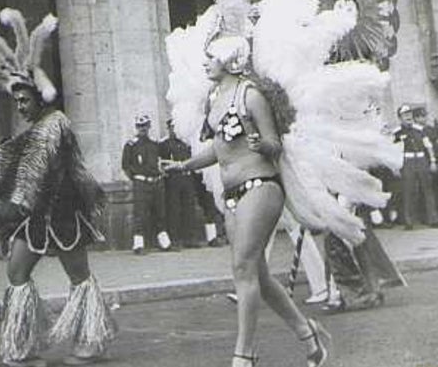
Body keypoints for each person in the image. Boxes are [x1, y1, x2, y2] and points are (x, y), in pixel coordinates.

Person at [0, 2, 116, 367]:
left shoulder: (55, 124)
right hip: (35, 216)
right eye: (16, 100)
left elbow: (30, 170)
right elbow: (15, 162)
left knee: (78, 275)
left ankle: (91, 340)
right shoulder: (35, 129)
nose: (19, 106)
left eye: (24, 100)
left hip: (63, 216)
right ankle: (22, 345)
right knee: (16, 273)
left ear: (39, 96)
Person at [164, 31, 330, 367]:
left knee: (242, 268)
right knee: (260, 276)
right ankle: (309, 338)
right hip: (232, 195)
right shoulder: (215, 97)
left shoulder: (250, 95)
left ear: (228, 60)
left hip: (260, 186)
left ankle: (244, 354)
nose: (206, 62)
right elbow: (218, 148)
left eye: (212, 57)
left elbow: (273, 144)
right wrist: (184, 164)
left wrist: (261, 145)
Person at [122, 114, 172, 254]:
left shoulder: (155, 144)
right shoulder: (131, 145)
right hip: (141, 183)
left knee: (160, 212)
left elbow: (161, 160)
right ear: (136, 127)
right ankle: (138, 245)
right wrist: (137, 178)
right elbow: (126, 166)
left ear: (149, 126)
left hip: (156, 182)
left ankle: (164, 243)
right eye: (139, 126)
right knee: (140, 214)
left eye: (145, 126)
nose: (142, 129)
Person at [393, 103, 438, 228]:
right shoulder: (396, 133)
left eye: (409, 114)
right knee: (408, 191)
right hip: (407, 162)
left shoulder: (420, 129)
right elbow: (393, 151)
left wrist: (433, 161)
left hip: (422, 160)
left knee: (427, 189)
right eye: (404, 114)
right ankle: (409, 221)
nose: (408, 116)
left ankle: (433, 219)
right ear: (400, 117)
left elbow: (428, 146)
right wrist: (395, 166)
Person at [158, 119, 195, 248]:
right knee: (174, 209)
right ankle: (175, 238)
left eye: (176, 127)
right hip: (173, 179)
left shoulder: (184, 143)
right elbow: (160, 162)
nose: (174, 130)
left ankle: (189, 238)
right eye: (172, 128)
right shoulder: (163, 144)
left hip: (186, 178)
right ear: (168, 129)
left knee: (188, 208)